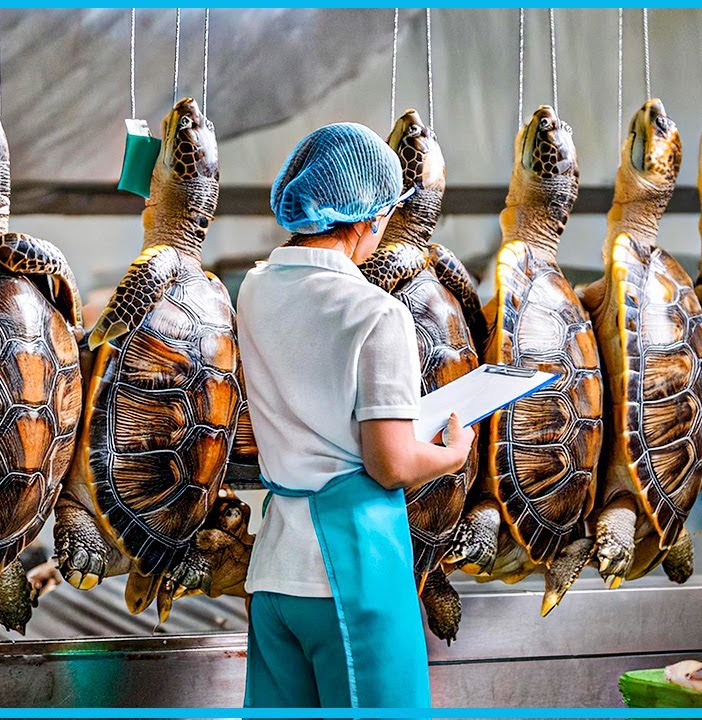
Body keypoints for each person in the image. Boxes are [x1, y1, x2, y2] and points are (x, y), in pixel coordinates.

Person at [239, 122, 474, 710]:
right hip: (352, 569)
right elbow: (390, 462)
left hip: (274, 574)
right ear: (369, 218)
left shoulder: (254, 289)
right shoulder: (375, 313)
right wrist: (450, 454)